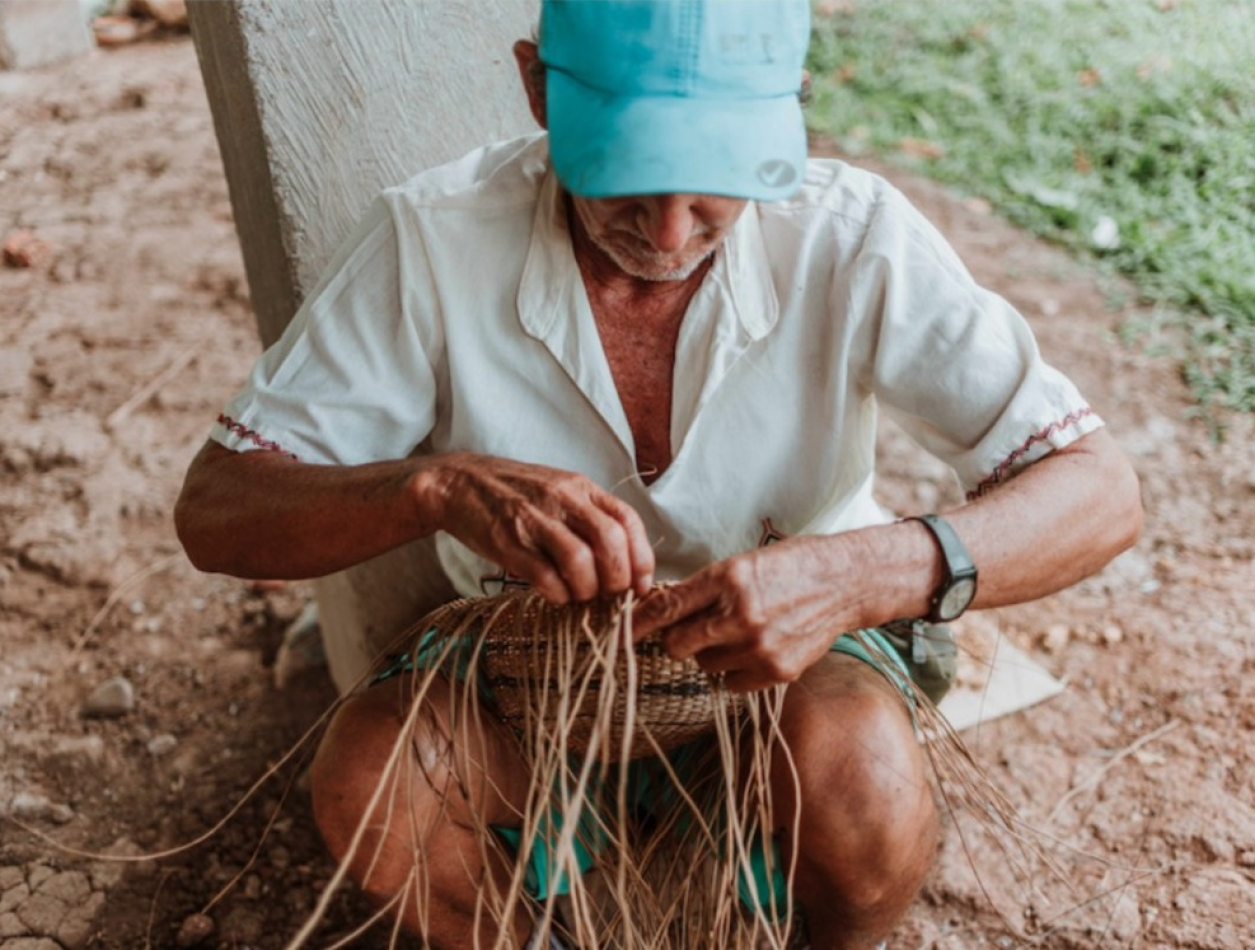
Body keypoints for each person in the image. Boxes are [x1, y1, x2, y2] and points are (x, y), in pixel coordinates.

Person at [174, 1, 1142, 947]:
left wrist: (853, 575)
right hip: (531, 662)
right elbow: (217, 510)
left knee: (862, 780)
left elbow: (1097, 489)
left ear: (790, 107)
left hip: (801, 659)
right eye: (624, 176)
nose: (670, 234)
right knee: (375, 787)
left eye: (718, 178)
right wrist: (436, 488)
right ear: (536, 90)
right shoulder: (432, 239)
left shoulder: (851, 232)